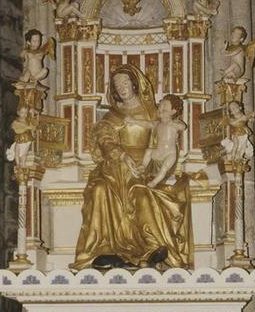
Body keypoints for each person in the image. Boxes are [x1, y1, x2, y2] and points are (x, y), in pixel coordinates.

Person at [69, 65, 193, 271]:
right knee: (99, 190)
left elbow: (163, 137)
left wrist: (153, 163)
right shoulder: (112, 114)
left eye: (126, 82)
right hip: (114, 165)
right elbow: (104, 138)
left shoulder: (153, 111)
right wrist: (122, 156)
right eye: (117, 85)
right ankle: (105, 249)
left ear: (135, 84)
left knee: (142, 196)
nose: (122, 87)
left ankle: (152, 249)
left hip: (144, 166)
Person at [125, 94, 186, 188]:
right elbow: (146, 124)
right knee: (148, 151)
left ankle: (154, 182)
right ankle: (143, 166)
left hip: (169, 154)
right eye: (159, 108)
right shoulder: (157, 124)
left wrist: (174, 123)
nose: (160, 110)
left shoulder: (174, 124)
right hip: (158, 152)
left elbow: (183, 126)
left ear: (173, 111)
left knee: (165, 167)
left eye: (164, 109)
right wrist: (133, 121)